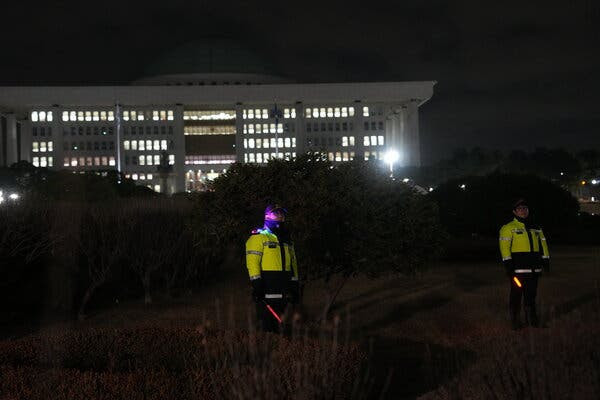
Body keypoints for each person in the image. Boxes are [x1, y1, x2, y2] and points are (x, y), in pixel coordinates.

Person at [245, 204, 299, 332]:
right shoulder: (258, 238)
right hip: (266, 294)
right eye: (276, 213)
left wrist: (295, 285)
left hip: (285, 294)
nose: (280, 216)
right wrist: (256, 283)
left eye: (282, 213)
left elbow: (293, 264)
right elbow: (253, 262)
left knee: (284, 332)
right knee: (268, 331)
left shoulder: (287, 240)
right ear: (267, 216)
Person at [499, 199, 550, 329]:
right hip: (517, 270)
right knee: (516, 295)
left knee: (531, 295)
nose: (523, 210)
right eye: (520, 208)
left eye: (525, 208)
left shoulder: (536, 227)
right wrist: (508, 265)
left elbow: (543, 244)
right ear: (514, 212)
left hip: (534, 269)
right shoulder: (508, 228)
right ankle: (515, 321)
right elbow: (504, 248)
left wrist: (545, 260)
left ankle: (532, 320)